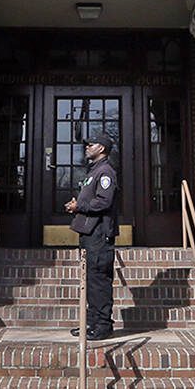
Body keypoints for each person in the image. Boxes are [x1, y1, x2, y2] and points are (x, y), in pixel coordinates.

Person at [64, 132, 119, 340]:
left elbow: (104, 202)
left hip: (99, 233)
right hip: (89, 232)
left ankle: (103, 325)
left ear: (102, 148)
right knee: (91, 279)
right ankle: (92, 323)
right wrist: (77, 206)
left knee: (99, 280)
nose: (86, 146)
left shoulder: (106, 172)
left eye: (91, 144)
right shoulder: (94, 171)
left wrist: (81, 205)